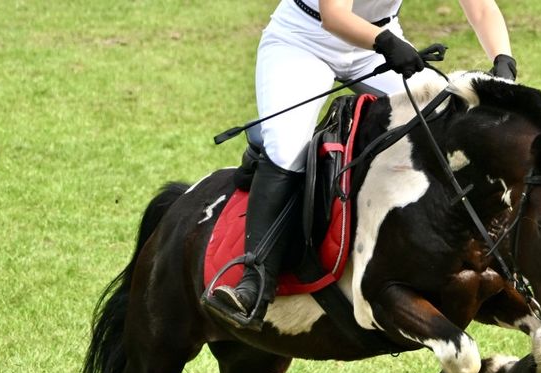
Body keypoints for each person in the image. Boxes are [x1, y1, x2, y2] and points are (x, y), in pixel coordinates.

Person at [202, 0, 518, 331]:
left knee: (443, 122)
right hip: (304, 40)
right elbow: (334, 17)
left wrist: (504, 60)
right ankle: (254, 281)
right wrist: (386, 43)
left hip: (375, 42)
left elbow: (481, 8)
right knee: (288, 148)